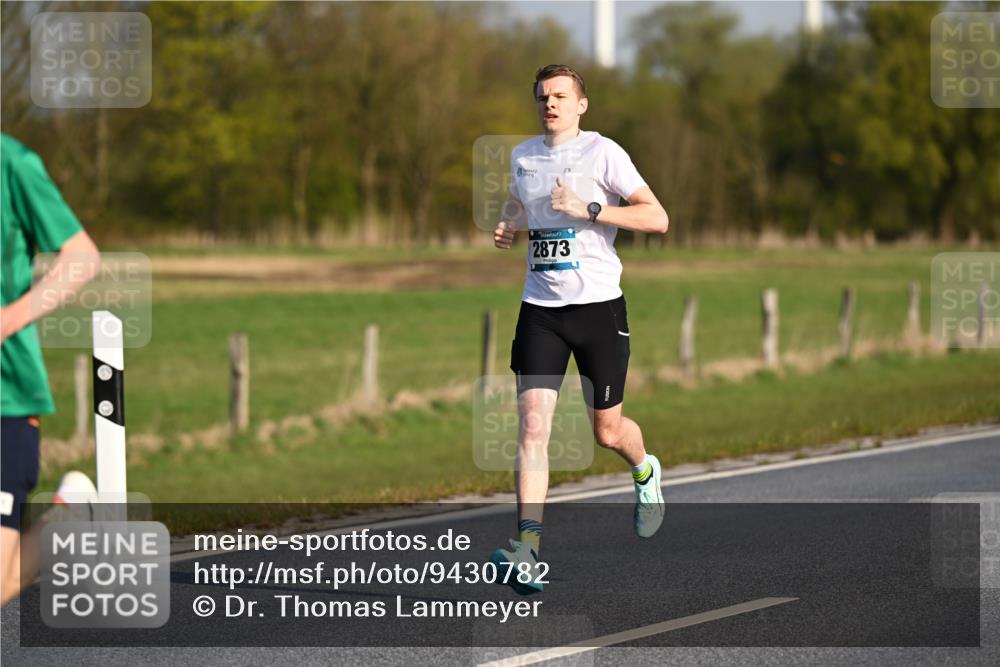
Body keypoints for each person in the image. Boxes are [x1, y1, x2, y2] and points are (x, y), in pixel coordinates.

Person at [489, 65, 669, 594]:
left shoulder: (603, 152)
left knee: (606, 431)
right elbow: (521, 205)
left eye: (561, 96)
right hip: (540, 309)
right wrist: (508, 225)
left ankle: (645, 471)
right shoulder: (523, 156)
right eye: (544, 96)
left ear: (580, 105)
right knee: (533, 427)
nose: (551, 103)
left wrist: (590, 208)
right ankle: (527, 550)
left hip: (598, 309)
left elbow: (656, 218)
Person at [1, 133, 102, 605]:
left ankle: (69, 518)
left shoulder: (12, 163)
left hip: (6, 394)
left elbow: (82, 257)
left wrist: (7, 320)